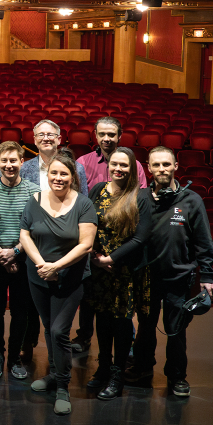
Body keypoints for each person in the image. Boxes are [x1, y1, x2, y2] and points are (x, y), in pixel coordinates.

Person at [127, 146, 213, 397]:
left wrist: (207, 275)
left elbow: (203, 241)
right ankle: (143, 369)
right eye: (156, 165)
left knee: (176, 331)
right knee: (145, 327)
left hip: (179, 278)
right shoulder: (141, 198)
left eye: (166, 164)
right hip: (146, 277)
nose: (161, 170)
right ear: (148, 167)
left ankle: (177, 376)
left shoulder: (191, 200)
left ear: (176, 166)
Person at [19, 153, 97, 416]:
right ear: (47, 174)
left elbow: (86, 244)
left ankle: (63, 386)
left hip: (70, 277)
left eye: (64, 174)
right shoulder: (34, 200)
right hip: (38, 274)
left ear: (73, 177)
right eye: (54, 173)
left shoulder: (84, 204)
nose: (58, 178)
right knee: (47, 327)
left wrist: (56, 266)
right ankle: (54, 374)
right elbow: (25, 235)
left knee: (59, 331)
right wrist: (42, 264)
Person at [73, 116, 148, 353]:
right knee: (90, 299)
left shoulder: (134, 164)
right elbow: (79, 203)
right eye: (102, 134)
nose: (107, 138)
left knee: (123, 308)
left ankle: (127, 347)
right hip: (94, 246)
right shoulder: (83, 162)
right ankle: (85, 337)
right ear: (95, 134)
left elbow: (140, 202)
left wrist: (113, 257)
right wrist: (95, 253)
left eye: (111, 134)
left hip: (123, 251)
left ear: (119, 136)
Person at [85, 147, 153, 401]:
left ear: (133, 168)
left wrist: (110, 259)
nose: (118, 169)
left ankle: (117, 374)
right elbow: (87, 224)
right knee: (101, 320)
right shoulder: (97, 190)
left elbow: (141, 238)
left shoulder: (140, 196)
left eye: (124, 165)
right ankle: (103, 367)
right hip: (99, 269)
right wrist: (95, 258)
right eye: (114, 164)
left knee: (122, 323)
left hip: (124, 269)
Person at [0, 141, 42, 381]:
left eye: (13, 160)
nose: (9, 165)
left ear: (21, 162)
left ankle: (14, 358)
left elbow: (36, 228)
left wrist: (14, 252)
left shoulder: (34, 191)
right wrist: (1, 255)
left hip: (23, 260)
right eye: (4, 160)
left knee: (20, 312)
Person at [21, 120, 89, 195]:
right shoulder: (23, 168)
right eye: (41, 135)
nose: (46, 139)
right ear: (35, 140)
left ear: (59, 140)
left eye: (50, 135)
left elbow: (83, 200)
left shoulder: (77, 168)